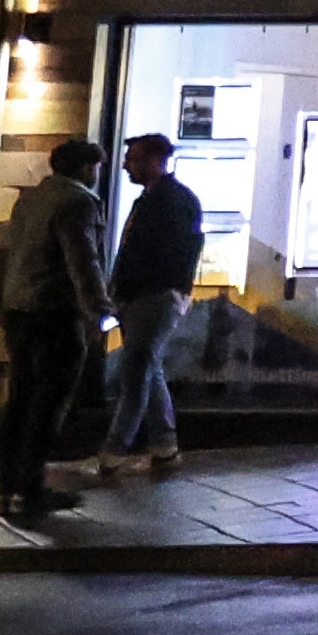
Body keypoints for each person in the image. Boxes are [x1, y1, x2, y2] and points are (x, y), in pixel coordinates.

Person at [0, 135, 109, 521]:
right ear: (86, 169)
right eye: (96, 169)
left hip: (19, 310)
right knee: (50, 403)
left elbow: (7, 252)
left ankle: (8, 485)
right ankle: (33, 487)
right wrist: (99, 312)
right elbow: (83, 260)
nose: (97, 176)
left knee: (20, 399)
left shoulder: (30, 199)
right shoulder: (77, 201)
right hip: (54, 312)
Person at [93, 129, 199, 482]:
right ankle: (164, 445)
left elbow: (168, 256)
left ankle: (115, 448)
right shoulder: (159, 198)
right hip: (145, 296)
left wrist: (132, 290)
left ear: (157, 160)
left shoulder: (170, 201)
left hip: (153, 297)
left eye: (133, 159)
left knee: (135, 370)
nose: (126, 166)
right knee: (147, 367)